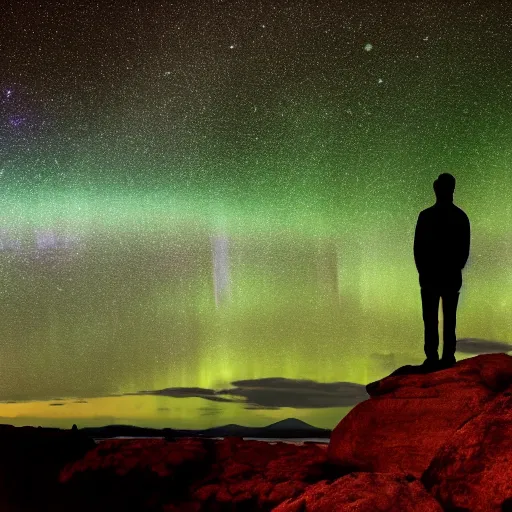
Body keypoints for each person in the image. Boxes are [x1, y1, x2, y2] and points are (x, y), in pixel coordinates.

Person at [413, 173, 470, 370]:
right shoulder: (459, 217)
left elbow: (418, 249)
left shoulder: (427, 216)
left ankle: (436, 357)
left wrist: (424, 271)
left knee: (433, 318)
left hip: (435, 276)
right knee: (445, 317)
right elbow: (463, 251)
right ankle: (444, 356)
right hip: (445, 276)